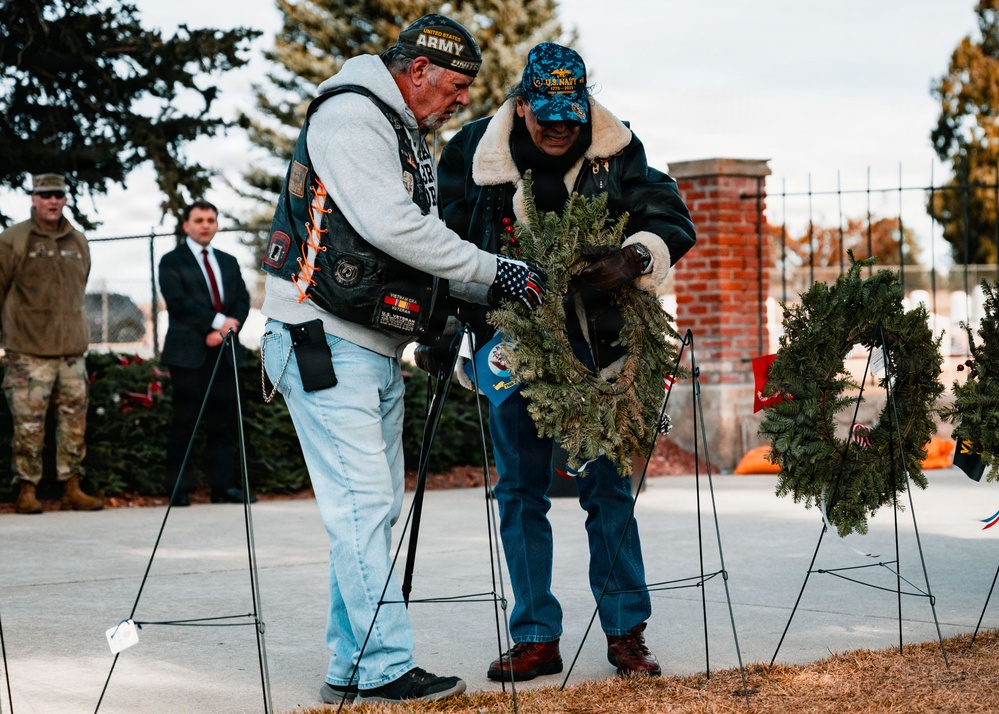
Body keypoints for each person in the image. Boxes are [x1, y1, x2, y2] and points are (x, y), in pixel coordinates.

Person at [258, 14, 547, 706]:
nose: (460, 101)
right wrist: (495, 271)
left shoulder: (396, 125)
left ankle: (351, 664)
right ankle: (385, 666)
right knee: (362, 507)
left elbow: (403, 242)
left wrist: (463, 296)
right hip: (322, 340)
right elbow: (394, 226)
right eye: (453, 86)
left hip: (363, 344)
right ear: (417, 70)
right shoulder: (353, 118)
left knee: (371, 511)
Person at [436, 42, 697, 681]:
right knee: (520, 490)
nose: (559, 131)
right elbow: (442, 238)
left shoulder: (616, 146)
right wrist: (451, 324)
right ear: (522, 104)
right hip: (510, 341)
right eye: (546, 118)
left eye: (570, 118)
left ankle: (626, 632)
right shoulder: (472, 151)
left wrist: (633, 258)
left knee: (608, 489)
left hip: (599, 341)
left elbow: (669, 215)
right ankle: (536, 637)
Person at [0, 173, 104, 514]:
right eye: (45, 195)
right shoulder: (13, 239)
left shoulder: (78, 241)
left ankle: (71, 488)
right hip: (28, 350)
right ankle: (26, 490)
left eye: (58, 195)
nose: (53, 201)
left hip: (72, 351)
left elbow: (80, 285)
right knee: (28, 426)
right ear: (33, 198)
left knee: (75, 423)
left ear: (65, 199)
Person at [159, 200, 252, 507]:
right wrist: (216, 323)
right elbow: (178, 303)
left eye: (211, 220)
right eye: (199, 220)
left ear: (217, 225)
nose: (205, 225)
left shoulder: (228, 261)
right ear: (186, 225)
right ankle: (178, 489)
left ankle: (223, 488)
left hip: (224, 351)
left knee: (222, 423)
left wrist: (227, 328)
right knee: (185, 422)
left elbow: (241, 299)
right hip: (188, 356)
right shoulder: (171, 261)